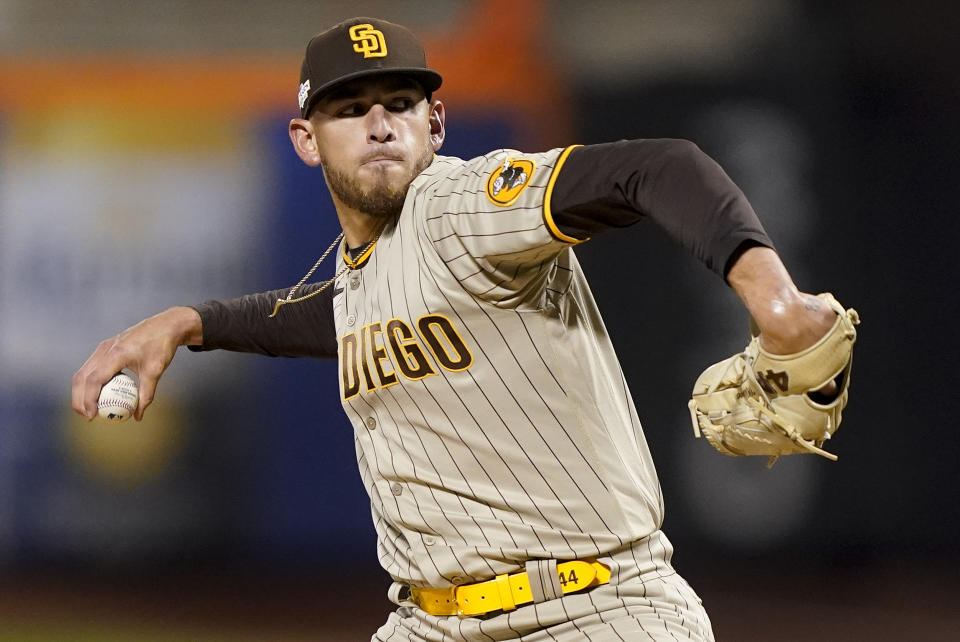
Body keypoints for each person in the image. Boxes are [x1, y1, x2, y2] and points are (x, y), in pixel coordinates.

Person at [72, 17, 842, 641]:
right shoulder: (362, 268)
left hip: (596, 614)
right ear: (307, 140)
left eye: (399, 104)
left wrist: (775, 304)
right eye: (349, 108)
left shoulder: (464, 204)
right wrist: (187, 323)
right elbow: (333, 315)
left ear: (435, 122)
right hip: (428, 622)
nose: (379, 124)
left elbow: (661, 168)